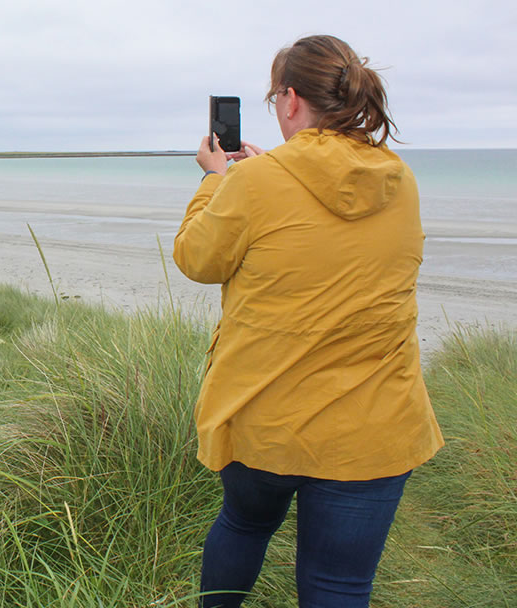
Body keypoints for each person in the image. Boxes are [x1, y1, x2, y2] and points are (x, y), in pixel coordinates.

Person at [173, 34, 444, 607]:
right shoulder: (399, 179)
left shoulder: (251, 182)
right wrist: (267, 172)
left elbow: (197, 258)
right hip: (375, 425)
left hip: (267, 414)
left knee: (243, 527)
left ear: (290, 100)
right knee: (340, 585)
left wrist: (214, 180)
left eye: (276, 99)